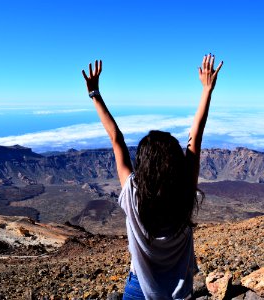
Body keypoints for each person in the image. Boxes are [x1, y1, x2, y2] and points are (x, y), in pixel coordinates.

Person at [81, 54, 223, 299]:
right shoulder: (185, 191)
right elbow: (196, 137)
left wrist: (95, 94)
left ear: (143, 165)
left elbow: (117, 140)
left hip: (139, 291)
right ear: (175, 164)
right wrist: (207, 89)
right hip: (180, 294)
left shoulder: (132, 194)